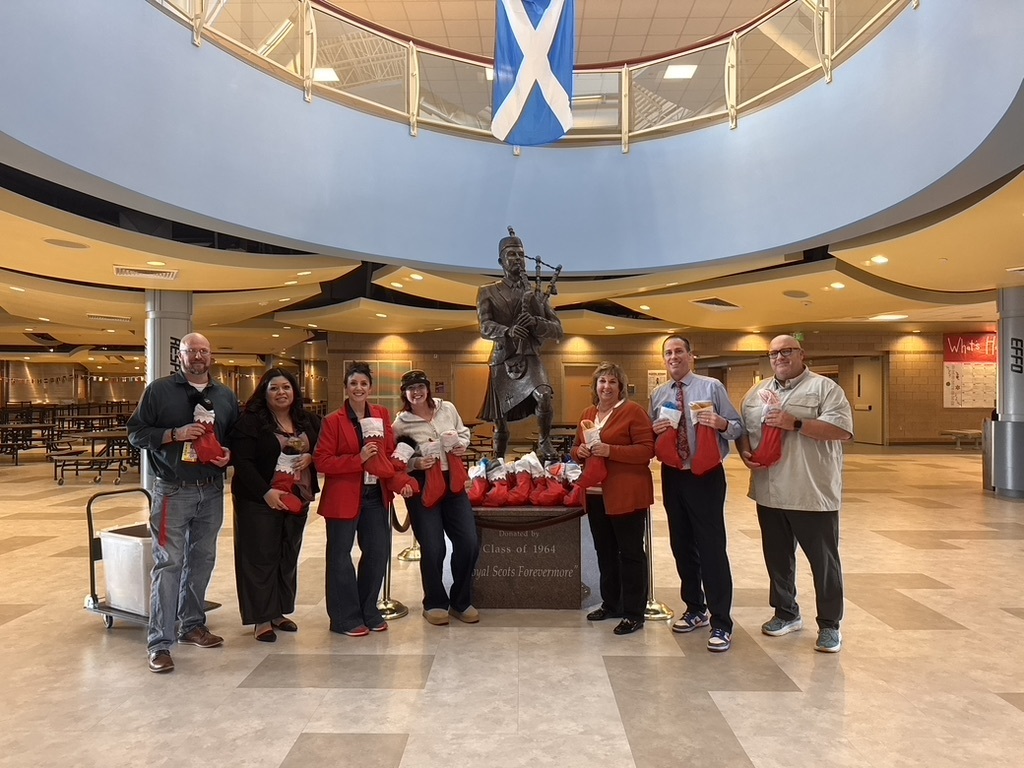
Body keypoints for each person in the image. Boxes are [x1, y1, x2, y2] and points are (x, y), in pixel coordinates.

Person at [126, 332, 239, 674]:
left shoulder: (225, 395)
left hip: (211, 490)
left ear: (211, 356)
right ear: (181, 355)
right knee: (169, 563)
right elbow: (135, 433)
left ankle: (192, 624)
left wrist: (229, 455)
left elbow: (234, 436)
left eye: (204, 351)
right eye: (192, 352)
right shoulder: (159, 391)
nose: (198, 357)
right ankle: (159, 643)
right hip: (173, 490)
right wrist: (173, 434)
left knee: (202, 559)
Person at [736, 335, 853, 653]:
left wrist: (796, 422)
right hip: (769, 493)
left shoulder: (824, 388)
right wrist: (745, 450)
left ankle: (830, 625)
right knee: (777, 559)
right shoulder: (757, 392)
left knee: (824, 563)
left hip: (811, 492)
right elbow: (744, 430)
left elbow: (842, 431)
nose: (779, 357)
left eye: (786, 351)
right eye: (773, 353)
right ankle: (786, 613)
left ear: (801, 354)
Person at [650, 335, 744, 653]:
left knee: (712, 547)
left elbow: (736, 426)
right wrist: (655, 431)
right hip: (673, 475)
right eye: (668, 353)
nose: (673, 356)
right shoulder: (659, 394)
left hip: (705, 475)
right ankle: (695, 609)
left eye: (679, 351)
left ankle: (721, 622)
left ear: (691, 356)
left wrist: (719, 423)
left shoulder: (711, 387)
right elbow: (653, 434)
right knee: (681, 544)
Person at [313, 362, 413, 636]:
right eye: (353, 383)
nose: (358, 388)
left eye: (363, 384)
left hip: (374, 495)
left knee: (377, 553)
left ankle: (369, 609)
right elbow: (321, 461)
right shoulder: (332, 420)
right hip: (343, 497)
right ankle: (344, 617)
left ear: (371, 388)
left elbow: (390, 451)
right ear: (345, 387)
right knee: (340, 557)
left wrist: (400, 474)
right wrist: (358, 460)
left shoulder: (381, 414)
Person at [228, 367, 320, 643]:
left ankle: (279, 611)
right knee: (259, 557)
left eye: (286, 387)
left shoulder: (308, 421)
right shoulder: (251, 422)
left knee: (287, 554)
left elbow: (321, 449)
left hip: (297, 498)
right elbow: (242, 462)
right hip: (259, 499)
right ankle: (261, 618)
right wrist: (266, 492)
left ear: (295, 391)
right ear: (264, 392)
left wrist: (312, 458)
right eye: (275, 388)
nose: (281, 393)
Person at [571, 362, 655, 636]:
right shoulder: (588, 413)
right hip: (596, 495)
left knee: (630, 554)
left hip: (626, 494)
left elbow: (646, 450)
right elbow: (575, 448)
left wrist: (610, 450)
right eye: (601, 382)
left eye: (612, 382)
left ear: (620, 387)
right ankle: (611, 603)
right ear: (595, 386)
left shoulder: (633, 412)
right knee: (604, 552)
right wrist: (580, 452)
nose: (606, 387)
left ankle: (633, 612)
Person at [392, 369, 481, 626]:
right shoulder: (400, 424)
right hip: (423, 485)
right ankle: (434, 602)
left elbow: (463, 432)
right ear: (405, 393)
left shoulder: (447, 409)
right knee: (433, 547)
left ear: (428, 388)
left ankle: (461, 601)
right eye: (411, 389)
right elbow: (397, 459)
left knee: (468, 543)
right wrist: (416, 462)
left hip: (453, 482)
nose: (417, 392)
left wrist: (462, 443)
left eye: (421, 386)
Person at [477, 228, 564, 459]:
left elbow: (557, 329)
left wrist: (536, 322)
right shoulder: (487, 292)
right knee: (500, 419)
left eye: (519, 254)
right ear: (501, 261)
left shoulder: (534, 293)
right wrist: (507, 331)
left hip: (530, 356)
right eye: (511, 254)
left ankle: (544, 442)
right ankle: (498, 457)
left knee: (544, 395)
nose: (516, 259)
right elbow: (484, 326)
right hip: (503, 359)